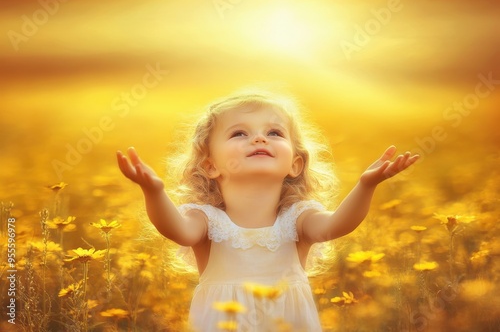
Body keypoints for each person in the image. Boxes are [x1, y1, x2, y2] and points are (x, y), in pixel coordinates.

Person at [116, 91, 419, 331]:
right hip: (223, 323)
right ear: (210, 165)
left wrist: (366, 185)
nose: (259, 138)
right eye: (239, 134)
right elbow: (177, 231)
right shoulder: (206, 219)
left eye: (274, 132)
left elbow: (335, 226)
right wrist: (154, 191)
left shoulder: (298, 217)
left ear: (295, 164)